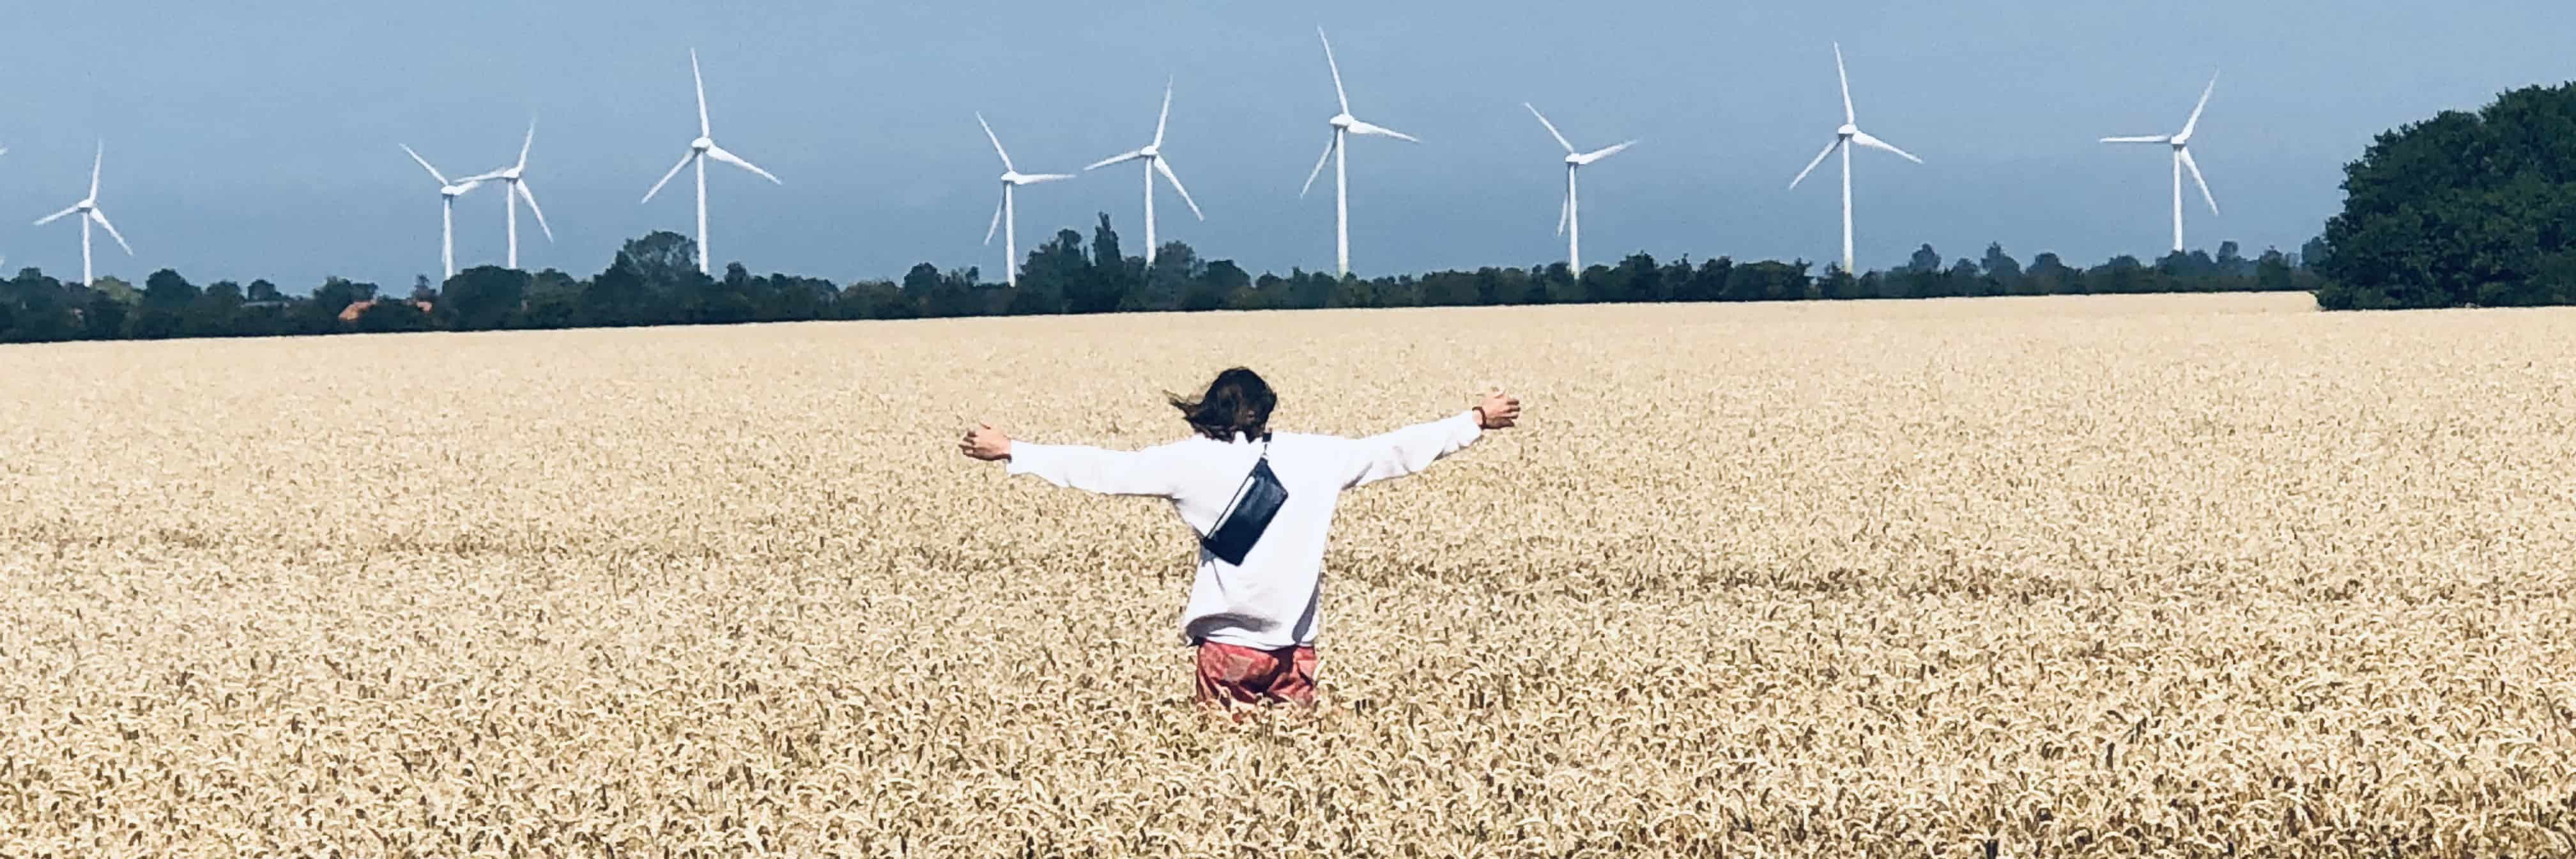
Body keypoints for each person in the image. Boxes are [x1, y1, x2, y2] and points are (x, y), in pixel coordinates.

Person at [959, 367, 1521, 709]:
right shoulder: (1316, 455)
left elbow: (1106, 470)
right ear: (1266, 410)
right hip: (1296, 649)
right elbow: (1398, 449)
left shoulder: (1186, 462)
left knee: (1223, 777)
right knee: (1297, 776)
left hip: (1227, 650)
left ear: (1207, 412)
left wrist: (1016, 450)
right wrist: (1475, 418)